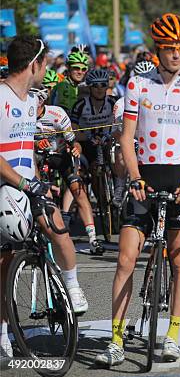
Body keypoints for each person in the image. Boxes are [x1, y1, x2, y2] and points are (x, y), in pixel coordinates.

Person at [94, 13, 180, 367]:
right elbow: (127, 138)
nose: (177, 54)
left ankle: (173, 334)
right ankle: (116, 339)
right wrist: (133, 177)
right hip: (144, 178)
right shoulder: (138, 84)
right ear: (157, 50)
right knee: (125, 259)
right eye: (170, 48)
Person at [1, 37, 89, 362]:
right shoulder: (1, 97)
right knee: (4, 265)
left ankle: (72, 285)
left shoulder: (28, 101)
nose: (47, 70)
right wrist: (26, 182)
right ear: (34, 64)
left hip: (28, 187)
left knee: (58, 226)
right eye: (46, 64)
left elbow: (26, 151)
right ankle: (3, 335)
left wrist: (37, 181)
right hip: (6, 190)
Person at [70, 69, 118, 254]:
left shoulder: (113, 102)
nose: (99, 89)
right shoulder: (80, 105)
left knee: (118, 156)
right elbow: (73, 130)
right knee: (87, 167)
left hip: (108, 141)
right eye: (96, 86)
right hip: (87, 142)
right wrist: (87, 136)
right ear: (89, 87)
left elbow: (123, 123)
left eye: (103, 85)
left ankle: (119, 187)